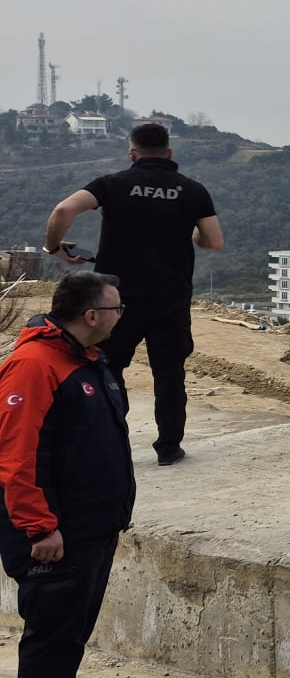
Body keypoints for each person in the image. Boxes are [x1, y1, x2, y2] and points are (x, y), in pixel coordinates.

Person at [0, 271, 136, 678]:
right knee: (50, 638)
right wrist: (39, 528)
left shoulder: (87, 361)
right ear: (92, 315)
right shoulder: (33, 366)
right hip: (53, 535)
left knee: (71, 633)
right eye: (117, 308)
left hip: (92, 528)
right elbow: (15, 456)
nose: (123, 316)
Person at [43, 121, 223, 465]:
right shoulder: (192, 190)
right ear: (170, 153)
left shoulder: (112, 184)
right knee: (169, 374)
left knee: (109, 369)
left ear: (132, 153)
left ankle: (113, 442)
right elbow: (213, 241)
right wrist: (190, 235)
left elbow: (63, 210)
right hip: (170, 299)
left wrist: (54, 246)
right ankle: (169, 448)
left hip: (115, 301)